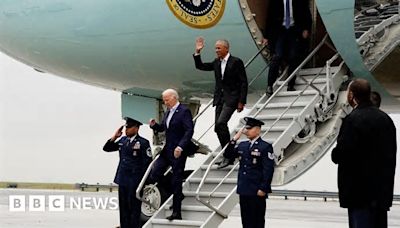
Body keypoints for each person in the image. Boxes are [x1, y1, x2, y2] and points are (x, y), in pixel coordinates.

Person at [332, 79, 397, 228]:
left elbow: (341, 154)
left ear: (352, 95)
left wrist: (335, 154)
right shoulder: (386, 120)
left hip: (358, 195)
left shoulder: (352, 120)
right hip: (381, 194)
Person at [193, 37, 248, 167]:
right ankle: (229, 154)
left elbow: (243, 82)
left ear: (226, 48)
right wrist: (197, 52)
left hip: (232, 98)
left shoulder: (236, 62)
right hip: (220, 99)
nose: (216, 50)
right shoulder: (217, 62)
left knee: (221, 123)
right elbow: (200, 66)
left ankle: (229, 155)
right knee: (217, 128)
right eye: (215, 48)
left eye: (218, 48)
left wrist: (241, 101)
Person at [148, 89, 195, 220]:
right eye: (164, 100)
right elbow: (163, 127)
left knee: (176, 179)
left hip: (178, 151)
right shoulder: (168, 111)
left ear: (174, 98)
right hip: (167, 149)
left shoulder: (184, 111)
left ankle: (176, 212)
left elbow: (189, 130)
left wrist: (181, 146)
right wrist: (154, 126)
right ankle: (177, 194)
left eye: (167, 100)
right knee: (155, 173)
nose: (165, 102)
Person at [223, 117, 275, 228]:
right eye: (246, 128)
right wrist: (234, 140)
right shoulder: (243, 145)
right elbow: (227, 155)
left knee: (257, 221)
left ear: (257, 130)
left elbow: (268, 169)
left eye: (249, 129)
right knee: (246, 221)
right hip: (244, 189)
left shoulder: (265, 147)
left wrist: (263, 188)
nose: (246, 131)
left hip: (257, 189)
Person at [103, 117, 152, 228]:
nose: (126, 130)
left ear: (136, 128)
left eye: (129, 127)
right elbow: (106, 148)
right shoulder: (123, 141)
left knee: (134, 208)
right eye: (126, 127)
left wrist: (144, 182)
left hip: (135, 180)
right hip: (123, 179)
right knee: (123, 208)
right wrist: (115, 136)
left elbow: (147, 163)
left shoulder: (143, 142)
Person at [263, 0, 312, 95]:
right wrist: (266, 36)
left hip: (294, 30)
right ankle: (269, 85)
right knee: (277, 56)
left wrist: (306, 29)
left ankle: (291, 84)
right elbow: (269, 17)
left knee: (294, 57)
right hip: (280, 31)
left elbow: (307, 14)